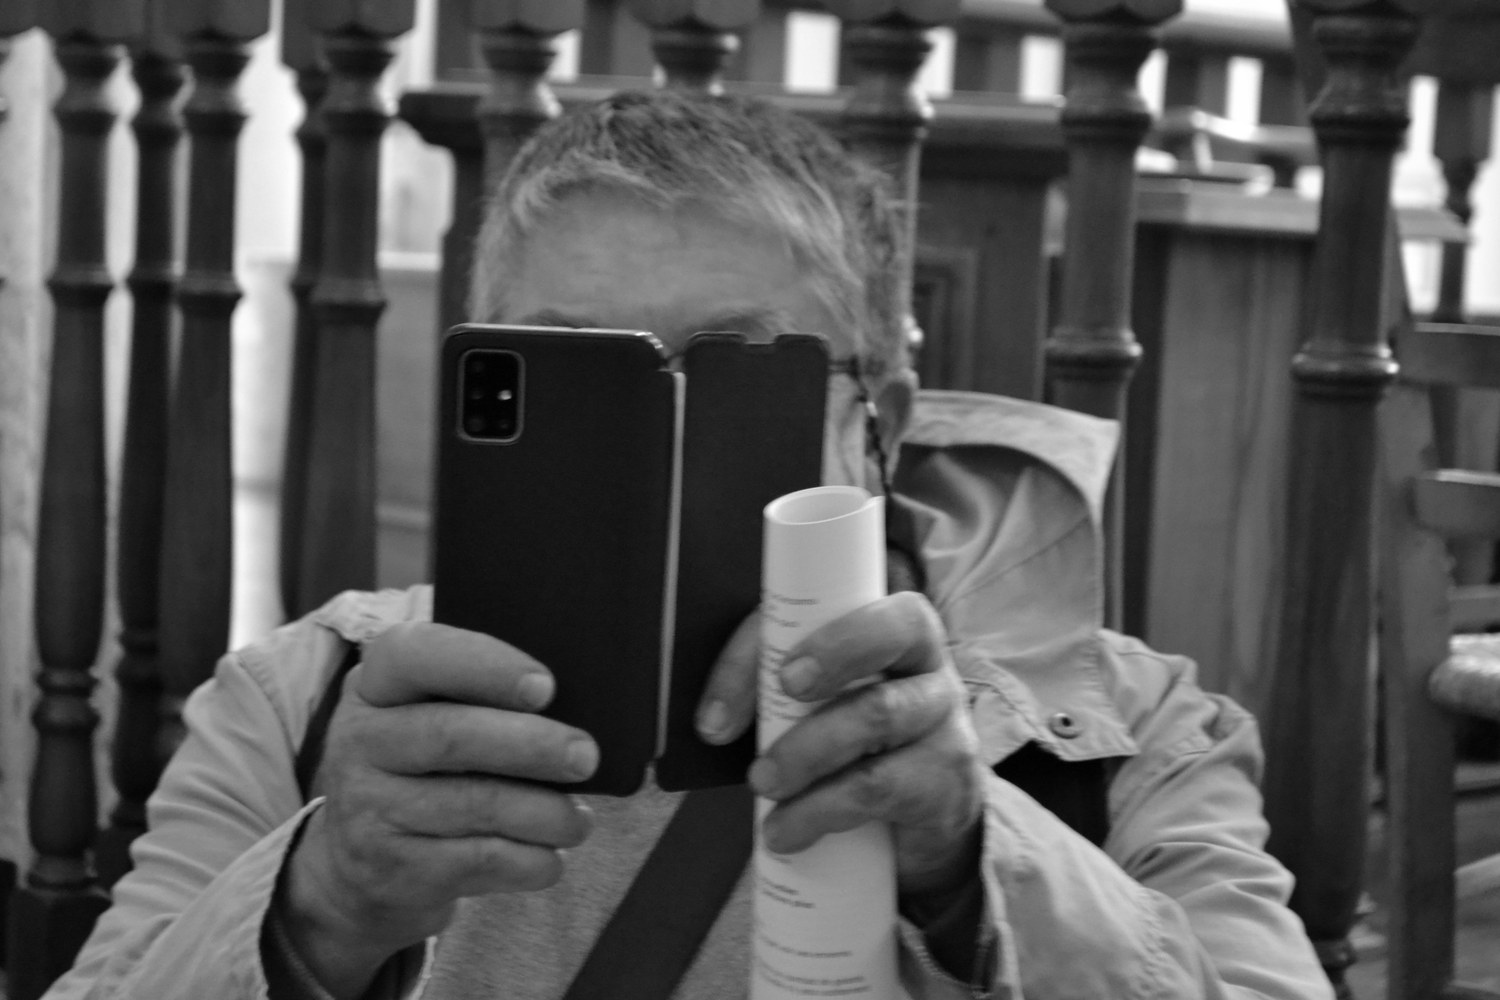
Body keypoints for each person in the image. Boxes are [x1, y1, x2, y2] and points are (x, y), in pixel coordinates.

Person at [47, 90, 1333, 1000]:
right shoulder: (306, 703)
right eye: (575, 379)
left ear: (876, 423)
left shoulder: (1120, 737)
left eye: (728, 378)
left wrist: (971, 855)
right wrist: (316, 909)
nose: (651, 454)